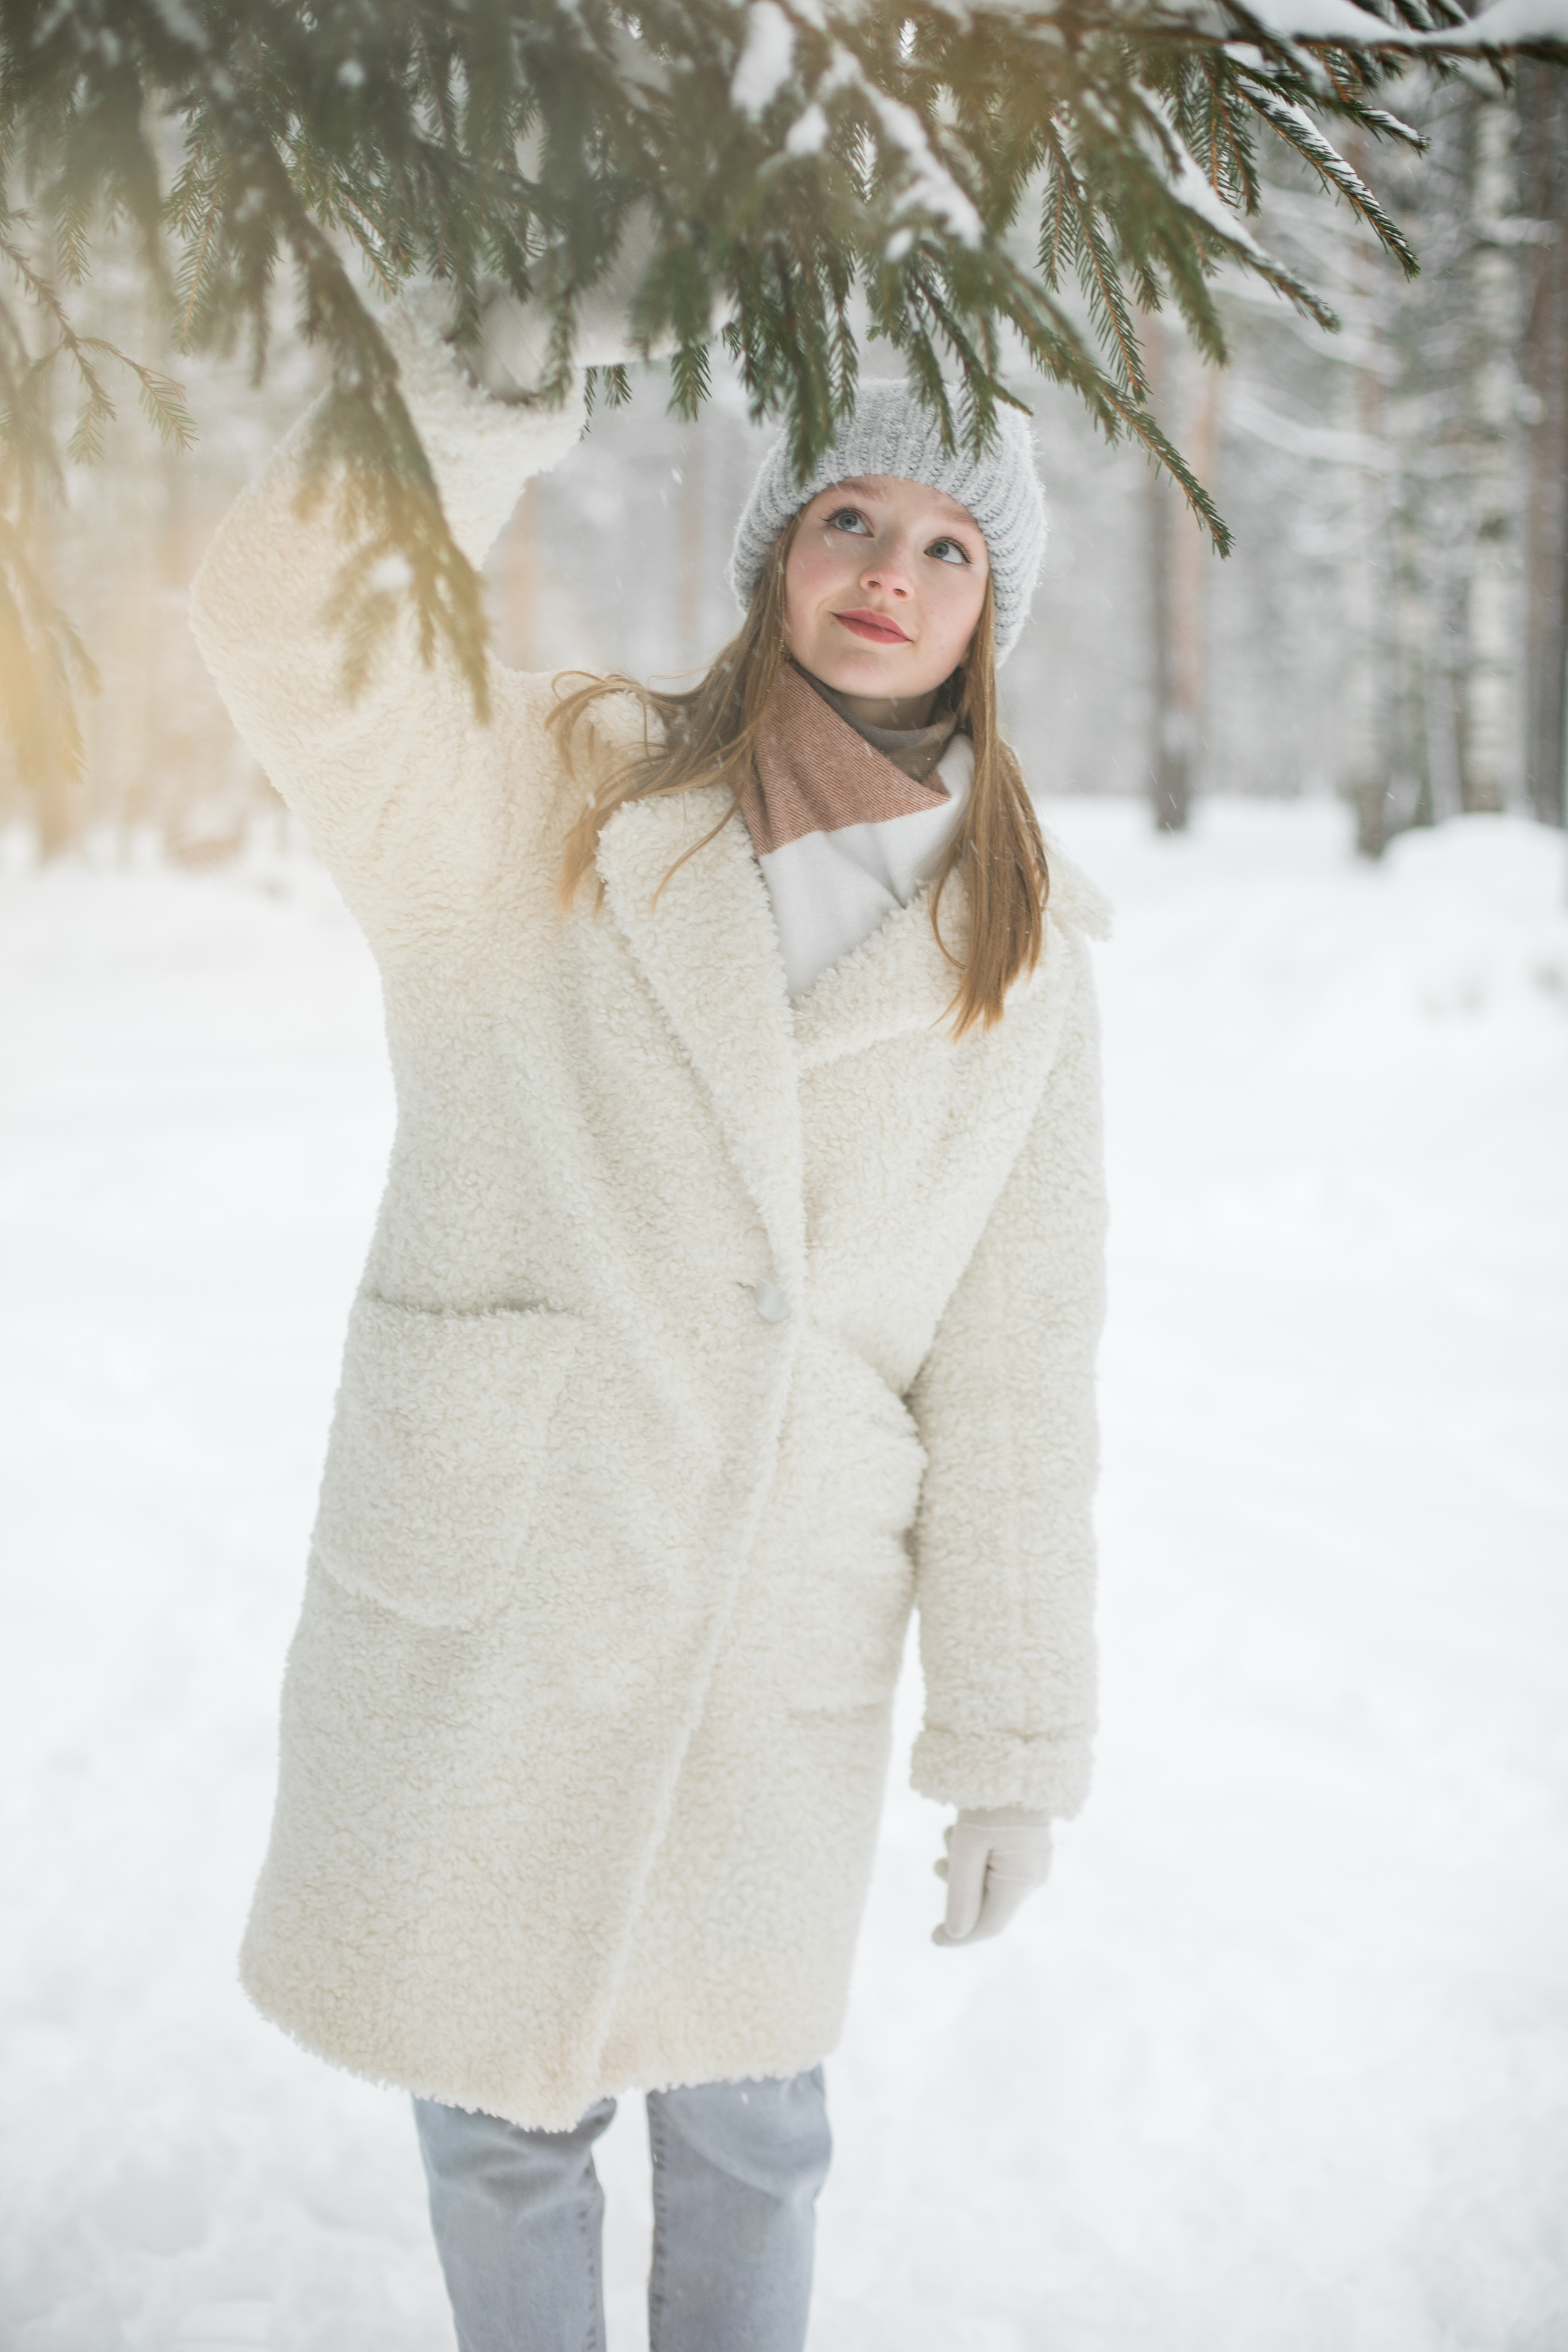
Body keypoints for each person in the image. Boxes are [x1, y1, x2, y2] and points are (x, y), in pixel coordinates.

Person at [190, 283, 1109, 2352]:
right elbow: (279, 623)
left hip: (774, 1604)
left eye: (949, 546)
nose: (894, 575)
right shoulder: (550, 797)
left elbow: (1021, 1371)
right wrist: (462, 395)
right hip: (511, 1555)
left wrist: (1011, 1741)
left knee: (754, 2117)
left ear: (995, 609)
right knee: (496, 2114)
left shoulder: (1026, 962)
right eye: (851, 522)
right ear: (776, 547)